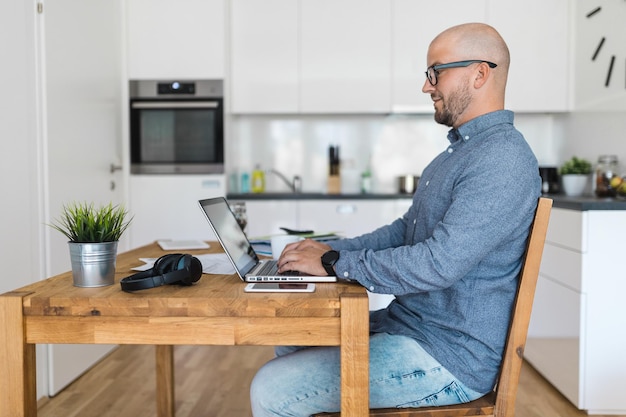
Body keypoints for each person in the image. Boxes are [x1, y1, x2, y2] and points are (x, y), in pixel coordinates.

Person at [250, 22, 541, 416]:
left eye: (436, 72)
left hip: (448, 354)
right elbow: (405, 232)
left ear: (479, 73)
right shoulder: (455, 156)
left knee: (272, 389)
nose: (427, 86)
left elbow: (439, 264)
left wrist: (335, 264)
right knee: (294, 336)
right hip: (411, 326)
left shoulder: (501, 159)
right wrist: (329, 251)